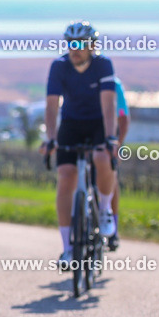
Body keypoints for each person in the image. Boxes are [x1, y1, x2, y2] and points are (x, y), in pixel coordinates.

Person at [41, 21, 119, 270]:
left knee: (102, 158)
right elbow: (51, 106)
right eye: (71, 43)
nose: (75, 48)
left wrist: (111, 137)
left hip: (98, 123)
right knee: (66, 176)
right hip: (72, 124)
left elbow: (109, 104)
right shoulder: (59, 66)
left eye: (81, 44)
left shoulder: (103, 64)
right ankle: (67, 249)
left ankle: (105, 210)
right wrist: (51, 138)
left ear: (92, 46)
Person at [109, 76, 130, 251]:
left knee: (112, 175)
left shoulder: (114, 84)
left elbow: (123, 116)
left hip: (110, 133)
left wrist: (119, 144)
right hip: (85, 128)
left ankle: (113, 230)